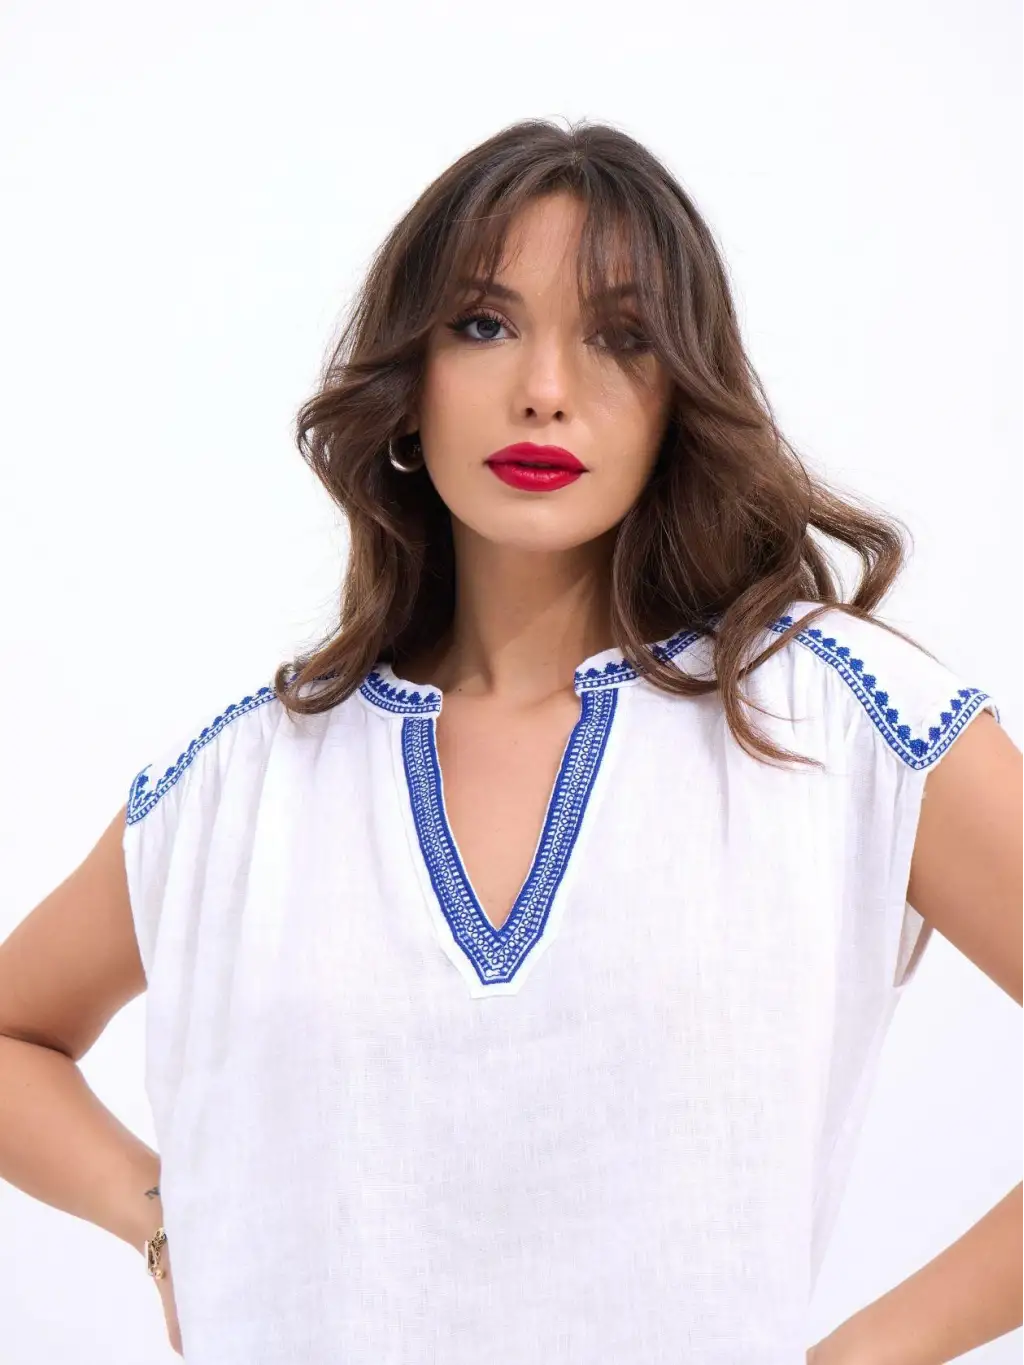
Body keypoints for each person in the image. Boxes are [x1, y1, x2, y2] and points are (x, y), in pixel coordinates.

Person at [0, 119, 1011, 1364]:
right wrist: (161, 1223)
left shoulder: (835, 719)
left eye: (620, 337)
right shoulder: (244, 781)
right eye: (482, 325)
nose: (544, 387)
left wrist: (866, 1354)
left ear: (679, 399)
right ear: (408, 386)